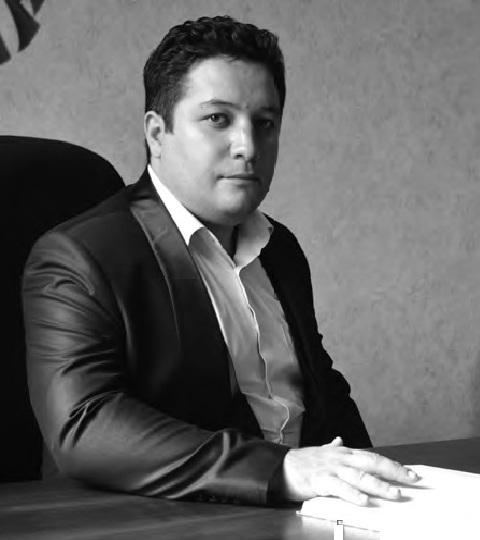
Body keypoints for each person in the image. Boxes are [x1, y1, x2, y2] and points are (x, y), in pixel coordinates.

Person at [23, 15, 418, 506]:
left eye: (265, 123)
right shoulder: (78, 256)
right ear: (157, 133)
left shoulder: (280, 248)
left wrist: (387, 492)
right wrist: (281, 470)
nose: (248, 146)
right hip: (168, 520)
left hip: (312, 513)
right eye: (218, 119)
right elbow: (85, 424)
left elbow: (322, 391)